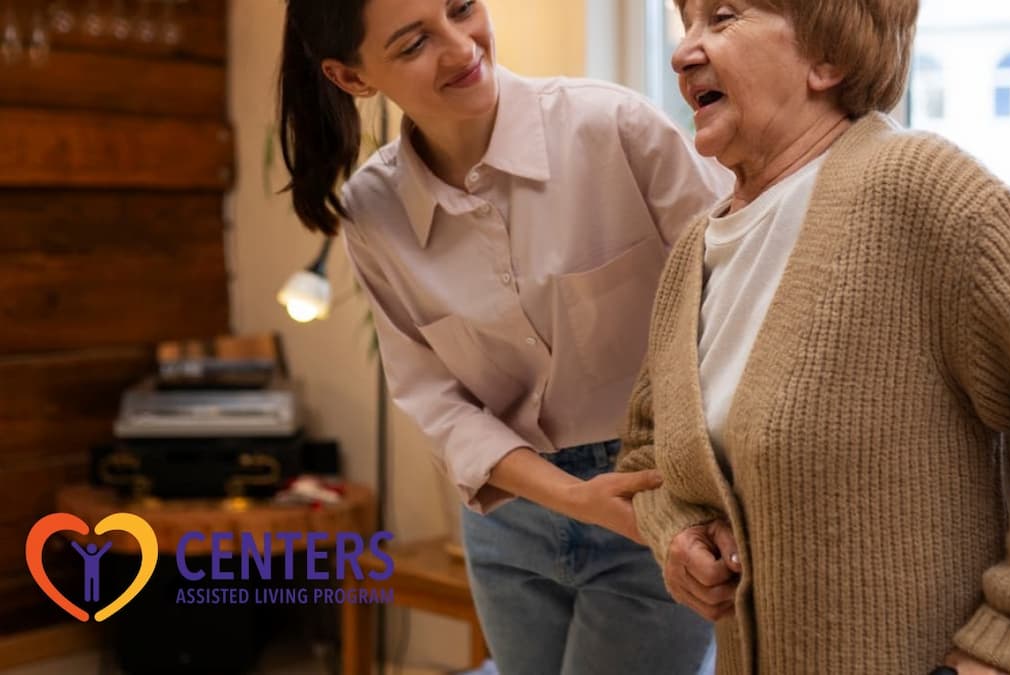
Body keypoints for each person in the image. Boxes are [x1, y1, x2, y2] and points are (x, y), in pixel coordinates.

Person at [616, 1, 1010, 673]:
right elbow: (647, 446)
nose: (684, 53)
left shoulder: (921, 189)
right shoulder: (695, 251)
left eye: (724, 16)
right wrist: (677, 533)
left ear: (828, 56)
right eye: (687, 23)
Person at [276, 1, 731, 673]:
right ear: (351, 77)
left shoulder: (613, 129)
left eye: (462, 8)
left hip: (652, 496)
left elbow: (739, 300)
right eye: (413, 44)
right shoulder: (374, 213)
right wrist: (569, 495)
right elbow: (435, 398)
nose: (461, 48)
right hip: (507, 525)